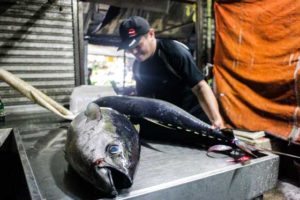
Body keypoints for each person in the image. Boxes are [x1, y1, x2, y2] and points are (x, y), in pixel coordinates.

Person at [118, 16, 224, 129]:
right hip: (171, 120)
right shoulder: (138, 67)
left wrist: (216, 119)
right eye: (129, 48)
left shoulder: (174, 52)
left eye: (138, 45)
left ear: (151, 34)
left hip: (195, 117)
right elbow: (145, 99)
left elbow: (200, 87)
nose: (134, 52)